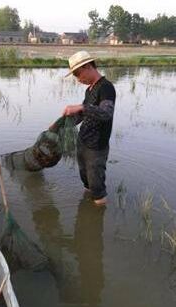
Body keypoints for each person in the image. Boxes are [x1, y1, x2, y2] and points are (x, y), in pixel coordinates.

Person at [62, 51, 116, 205]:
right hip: (83, 141)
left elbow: (106, 113)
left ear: (87, 66)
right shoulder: (90, 90)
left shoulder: (106, 87)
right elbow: (84, 114)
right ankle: (86, 207)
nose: (78, 80)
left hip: (96, 146)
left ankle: (96, 217)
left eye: (78, 74)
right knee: (86, 180)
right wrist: (65, 122)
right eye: (75, 76)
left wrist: (80, 107)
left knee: (96, 186)